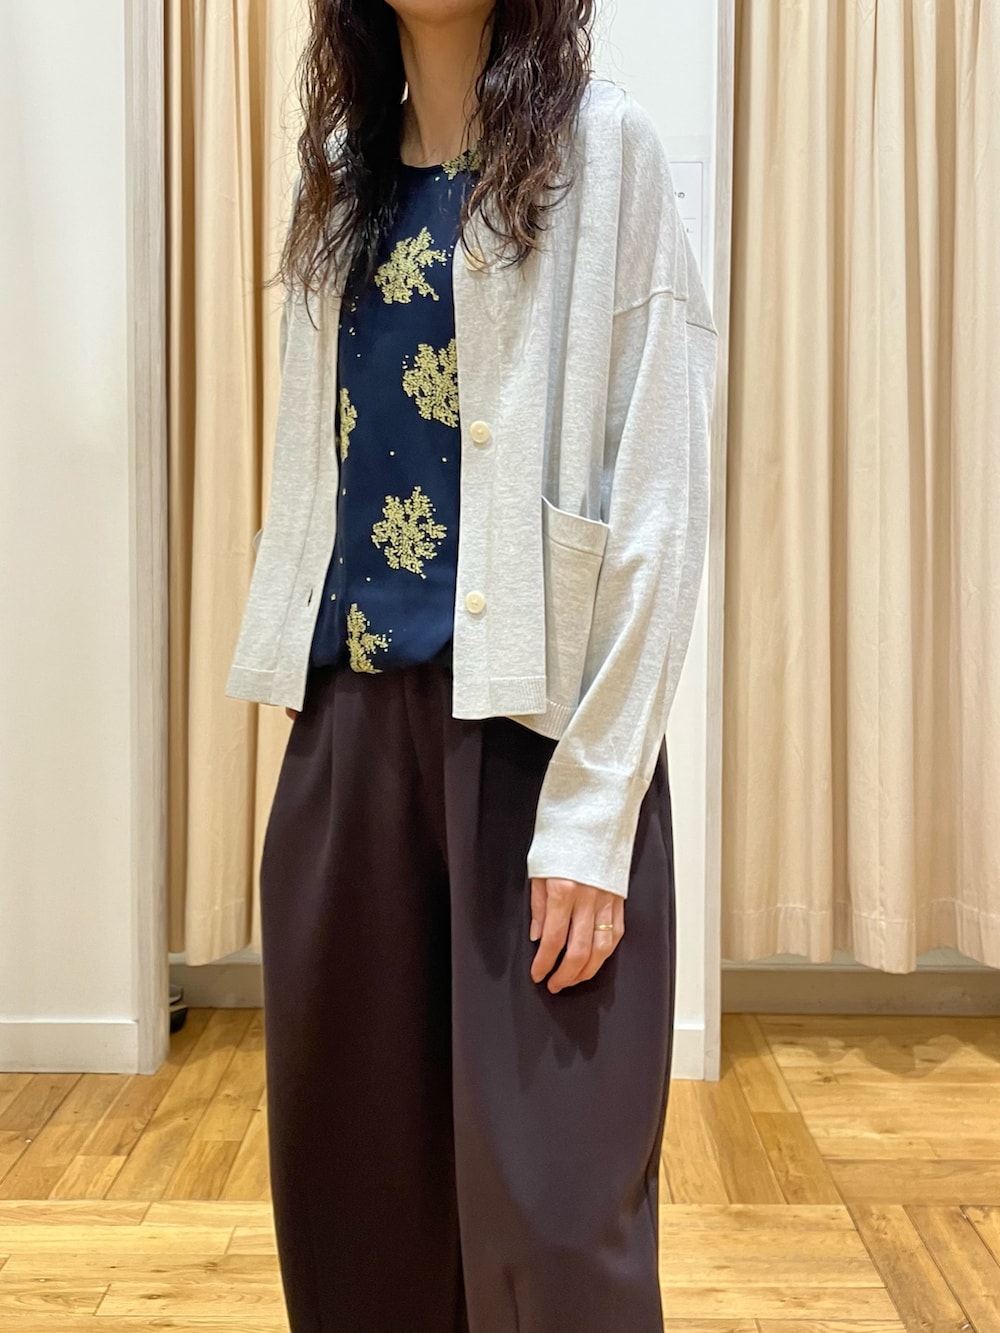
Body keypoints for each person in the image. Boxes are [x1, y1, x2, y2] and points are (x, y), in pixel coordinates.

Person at [225, 1, 718, 1329]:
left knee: (557, 1232)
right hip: (348, 739)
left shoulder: (605, 150)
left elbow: (660, 501)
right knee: (357, 1212)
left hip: (534, 748)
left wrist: (597, 811)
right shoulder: (341, 171)